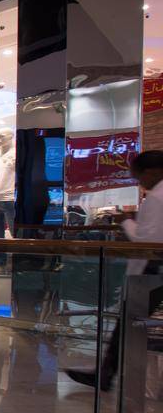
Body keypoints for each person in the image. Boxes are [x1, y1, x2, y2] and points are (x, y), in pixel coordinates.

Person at [68, 150, 163, 390]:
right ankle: (106, 371)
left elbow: (146, 239)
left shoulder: (157, 198)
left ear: (151, 172)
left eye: (139, 177)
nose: (139, 183)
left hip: (152, 271)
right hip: (153, 269)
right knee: (129, 324)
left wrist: (125, 221)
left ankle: (106, 373)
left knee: (129, 323)